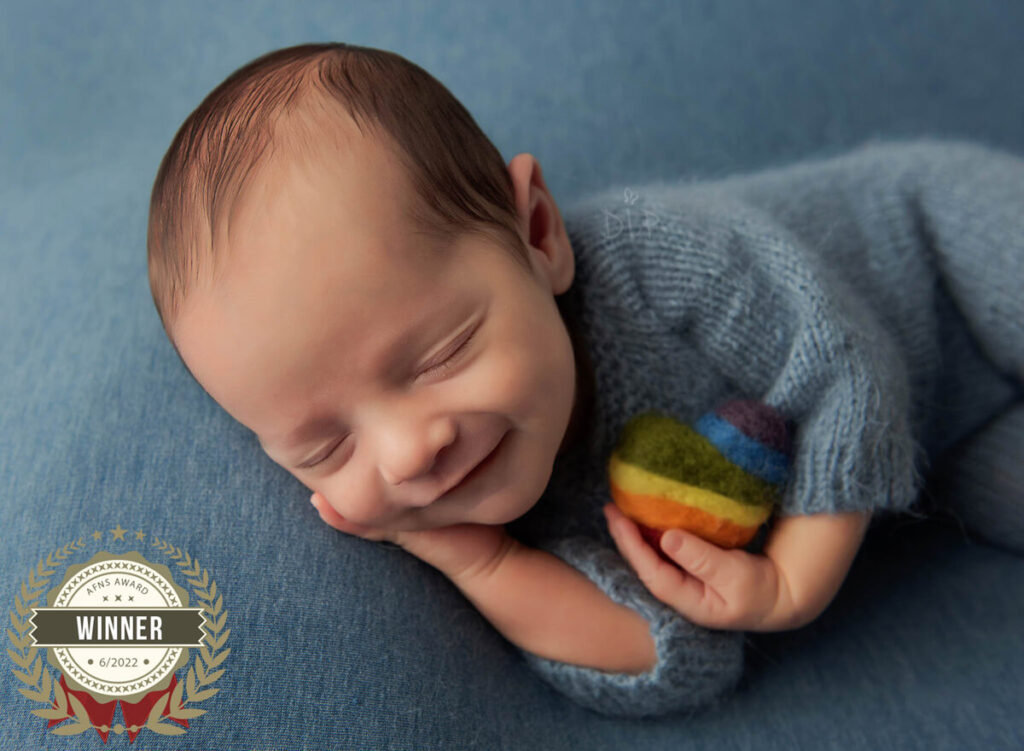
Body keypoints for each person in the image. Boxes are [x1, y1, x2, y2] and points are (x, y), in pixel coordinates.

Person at [147, 42, 1024, 718]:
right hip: (940, 450)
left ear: (538, 234)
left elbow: (845, 370)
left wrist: (792, 581)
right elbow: (667, 652)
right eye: (325, 445)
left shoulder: (657, 260)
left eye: (440, 353)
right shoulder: (506, 508)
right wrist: (476, 558)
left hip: (941, 248)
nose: (413, 448)